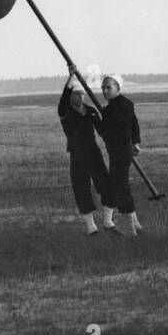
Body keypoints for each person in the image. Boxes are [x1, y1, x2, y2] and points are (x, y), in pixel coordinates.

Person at [57, 71, 112, 234]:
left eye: (81, 94)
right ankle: (91, 227)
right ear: (70, 96)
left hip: (93, 152)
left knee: (105, 183)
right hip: (77, 154)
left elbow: (103, 130)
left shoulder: (90, 110)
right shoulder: (64, 111)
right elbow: (63, 98)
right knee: (81, 187)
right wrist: (71, 77)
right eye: (76, 94)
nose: (79, 97)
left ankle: (108, 222)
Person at [99, 75, 142, 236]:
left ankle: (130, 230)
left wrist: (97, 120)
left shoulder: (112, 109)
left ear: (118, 88)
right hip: (124, 152)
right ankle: (135, 224)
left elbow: (106, 133)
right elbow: (134, 125)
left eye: (108, 87)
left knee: (121, 188)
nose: (104, 90)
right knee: (122, 185)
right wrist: (135, 142)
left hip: (119, 154)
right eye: (103, 87)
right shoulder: (127, 103)